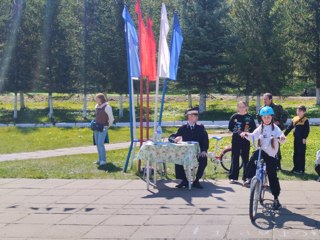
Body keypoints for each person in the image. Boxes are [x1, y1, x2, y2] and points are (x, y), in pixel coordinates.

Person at [241, 106, 286, 210]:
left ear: (272, 117)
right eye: (264, 117)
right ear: (261, 118)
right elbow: (253, 136)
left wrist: (282, 138)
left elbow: (281, 137)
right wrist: (245, 134)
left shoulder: (275, 128)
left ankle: (275, 198)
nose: (266, 119)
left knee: (272, 176)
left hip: (270, 155)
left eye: (268, 117)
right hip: (261, 151)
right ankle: (248, 178)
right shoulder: (260, 128)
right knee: (253, 158)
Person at [168, 107, 209, 189]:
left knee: (203, 159)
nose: (192, 118)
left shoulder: (200, 128)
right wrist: (174, 140)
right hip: (185, 153)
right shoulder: (183, 128)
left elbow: (205, 140)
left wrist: (204, 150)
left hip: (198, 152)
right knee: (178, 159)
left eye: (194, 116)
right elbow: (171, 137)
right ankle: (184, 180)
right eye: (190, 116)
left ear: (197, 118)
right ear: (188, 117)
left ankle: (196, 180)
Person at [258, 93, 289, 170]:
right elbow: (258, 117)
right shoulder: (262, 108)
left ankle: (277, 165)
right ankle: (266, 163)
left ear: (270, 99)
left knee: (276, 147)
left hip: (275, 130)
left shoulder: (277, 107)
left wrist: (280, 122)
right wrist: (262, 123)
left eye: (266, 99)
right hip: (265, 130)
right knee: (265, 146)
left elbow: (285, 114)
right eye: (263, 99)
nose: (264, 101)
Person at [228, 101, 256, 184]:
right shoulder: (234, 117)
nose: (241, 108)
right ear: (237, 107)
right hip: (236, 140)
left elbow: (253, 128)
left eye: (243, 106)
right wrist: (239, 132)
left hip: (246, 141)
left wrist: (246, 133)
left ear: (246, 107)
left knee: (245, 159)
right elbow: (230, 127)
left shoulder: (249, 117)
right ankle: (233, 177)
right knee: (235, 158)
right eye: (240, 107)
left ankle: (246, 177)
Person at [284, 106, 310, 174]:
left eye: (300, 111)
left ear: (304, 112)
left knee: (301, 154)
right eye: (297, 111)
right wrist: (284, 135)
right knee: (295, 154)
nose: (298, 112)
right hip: (296, 139)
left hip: (302, 140)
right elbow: (289, 128)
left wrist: (304, 137)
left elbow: (307, 130)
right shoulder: (295, 119)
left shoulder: (305, 120)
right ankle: (295, 168)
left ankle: (301, 169)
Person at [94, 93, 114, 167]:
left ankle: (103, 160)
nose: (95, 100)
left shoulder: (107, 107)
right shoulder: (96, 106)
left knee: (100, 143)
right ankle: (100, 159)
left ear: (101, 99)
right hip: (96, 127)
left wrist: (108, 126)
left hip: (103, 127)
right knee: (97, 143)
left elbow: (111, 118)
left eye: (97, 98)